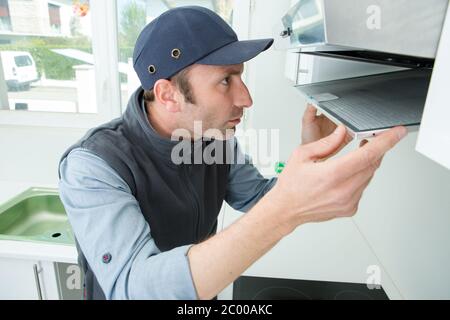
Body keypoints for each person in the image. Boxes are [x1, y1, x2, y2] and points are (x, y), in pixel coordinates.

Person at [58, 6, 407, 300]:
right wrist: (284, 213)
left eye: (240, 77)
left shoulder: (214, 139)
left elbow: (257, 197)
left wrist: (310, 156)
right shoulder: (94, 166)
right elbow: (133, 287)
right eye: (226, 80)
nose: (246, 99)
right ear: (168, 95)